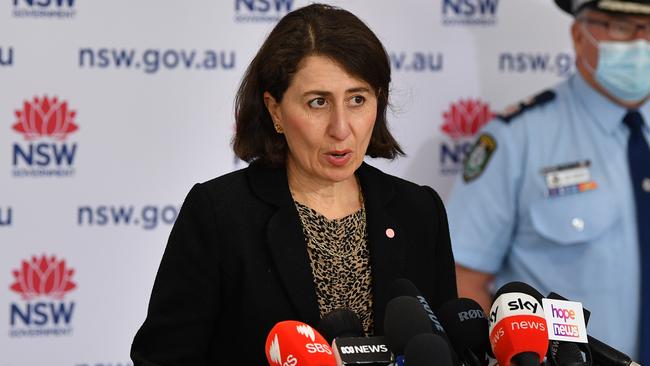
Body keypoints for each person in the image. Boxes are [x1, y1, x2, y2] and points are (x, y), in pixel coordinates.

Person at [130, 4, 457, 365]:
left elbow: (445, 350)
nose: (341, 128)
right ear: (275, 110)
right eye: (318, 102)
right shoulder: (220, 214)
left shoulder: (419, 211)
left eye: (357, 100)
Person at [446, 0, 649, 359]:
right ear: (578, 35)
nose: (642, 42)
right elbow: (466, 280)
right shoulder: (516, 138)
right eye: (621, 27)